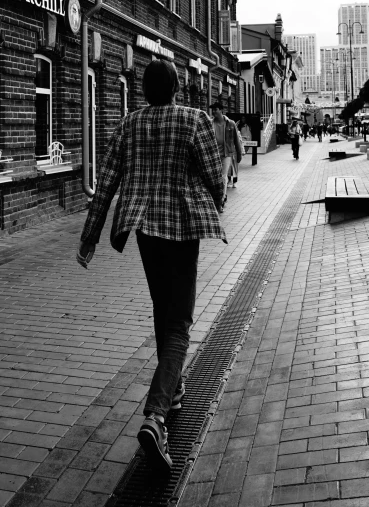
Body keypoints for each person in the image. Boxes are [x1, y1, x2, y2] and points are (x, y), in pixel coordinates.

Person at [77, 60, 225, 473]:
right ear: (177, 88)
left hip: (142, 226)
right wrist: (217, 201)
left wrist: (89, 239)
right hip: (181, 226)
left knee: (164, 308)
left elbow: (105, 182)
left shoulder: (128, 124)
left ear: (143, 91)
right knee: (179, 322)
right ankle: (156, 417)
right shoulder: (194, 120)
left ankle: (174, 389)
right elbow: (215, 174)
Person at [211, 102, 244, 208]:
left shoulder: (230, 123)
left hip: (226, 154)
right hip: (214, 154)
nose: (213, 111)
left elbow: (236, 140)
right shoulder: (211, 123)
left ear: (221, 110)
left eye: (215, 109)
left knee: (223, 176)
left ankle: (222, 197)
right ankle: (220, 196)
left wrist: (239, 154)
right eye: (213, 110)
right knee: (215, 176)